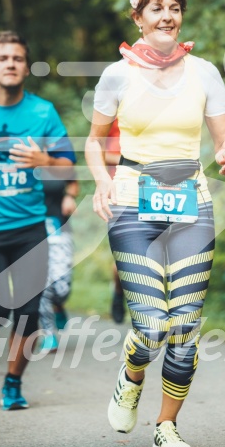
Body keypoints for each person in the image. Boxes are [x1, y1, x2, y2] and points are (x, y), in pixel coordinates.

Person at [85, 0, 225, 447]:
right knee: (151, 324)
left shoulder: (205, 72)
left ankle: (166, 426)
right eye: (156, 8)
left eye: (174, 7)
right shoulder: (117, 75)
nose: (167, 15)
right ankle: (131, 377)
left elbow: (223, 139)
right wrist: (102, 180)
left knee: (187, 322)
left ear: (181, 16)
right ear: (138, 17)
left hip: (192, 203)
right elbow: (94, 140)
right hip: (133, 201)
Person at [0, 30, 76, 410]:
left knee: (29, 314)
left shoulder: (42, 112)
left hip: (29, 227)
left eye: (17, 58)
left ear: (25, 67)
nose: (10, 63)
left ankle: (13, 383)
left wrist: (44, 162)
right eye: (3, 58)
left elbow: (68, 167)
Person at [39, 177, 79, 353]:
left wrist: (69, 196)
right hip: (30, 234)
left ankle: (58, 304)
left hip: (59, 230)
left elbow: (73, 181)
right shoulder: (14, 158)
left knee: (62, 287)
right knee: (40, 287)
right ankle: (49, 334)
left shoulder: (57, 159)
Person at [104, 119, 125, 324]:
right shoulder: (114, 119)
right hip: (120, 195)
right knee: (122, 257)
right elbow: (101, 153)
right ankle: (119, 293)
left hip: (158, 192)